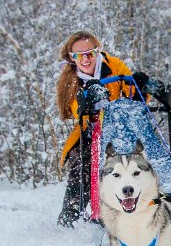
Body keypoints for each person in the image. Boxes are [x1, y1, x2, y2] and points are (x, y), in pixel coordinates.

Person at [54, 31, 142, 226]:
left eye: (90, 53)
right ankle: (71, 217)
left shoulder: (114, 66)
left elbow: (132, 94)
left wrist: (141, 89)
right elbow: (75, 110)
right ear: (71, 57)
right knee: (82, 163)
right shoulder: (70, 79)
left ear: (98, 51)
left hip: (121, 128)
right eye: (78, 55)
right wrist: (87, 101)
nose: (85, 59)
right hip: (89, 131)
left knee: (139, 160)